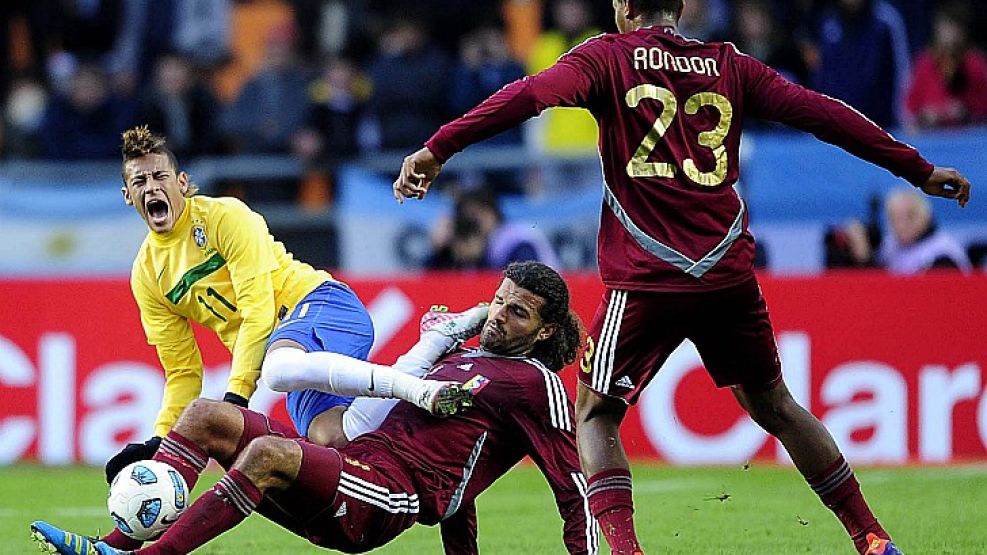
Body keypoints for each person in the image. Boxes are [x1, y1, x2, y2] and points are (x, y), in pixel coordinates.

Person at [392, 1, 973, 553]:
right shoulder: (728, 64)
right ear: (682, 11)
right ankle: (872, 539)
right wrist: (916, 169)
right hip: (726, 273)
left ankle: (624, 550)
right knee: (776, 405)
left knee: (595, 412)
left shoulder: (607, 56)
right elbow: (823, 113)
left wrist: (439, 148)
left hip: (646, 276)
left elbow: (527, 96)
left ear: (624, 8)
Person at [31, 261, 599, 555]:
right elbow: (462, 474)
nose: (500, 315)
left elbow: (572, 490)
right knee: (207, 415)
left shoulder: (535, 385)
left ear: (545, 330)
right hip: (354, 465)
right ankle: (112, 546)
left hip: (384, 498)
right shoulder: (464, 360)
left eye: (518, 313)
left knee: (268, 452)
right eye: (499, 302)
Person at [99, 125, 474, 552]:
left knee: (277, 367)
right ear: (129, 196)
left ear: (181, 182)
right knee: (333, 441)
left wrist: (238, 399)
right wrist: (163, 441)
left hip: (323, 305)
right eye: (140, 181)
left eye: (160, 176)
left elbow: (259, 309)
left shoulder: (225, 217)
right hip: (287, 353)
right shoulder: (147, 274)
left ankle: (421, 368)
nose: (152, 186)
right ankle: (434, 386)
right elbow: (183, 370)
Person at [878, 187, 972, 273]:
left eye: (910, 216)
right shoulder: (888, 247)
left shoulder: (943, 253)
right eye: (894, 218)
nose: (901, 225)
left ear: (925, 215)